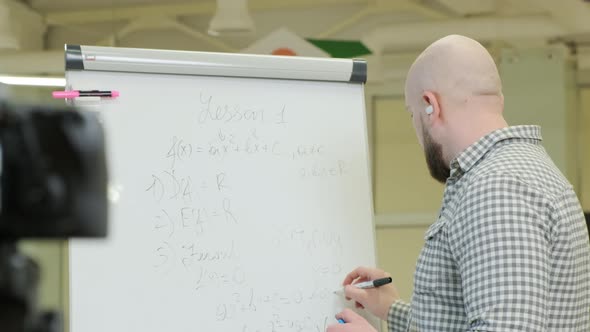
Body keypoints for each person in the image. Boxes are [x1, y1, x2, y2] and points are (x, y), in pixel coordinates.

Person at [327, 34, 590, 331]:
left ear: (430, 105)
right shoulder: (529, 170)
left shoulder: (497, 190)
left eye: (413, 115)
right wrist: (391, 309)